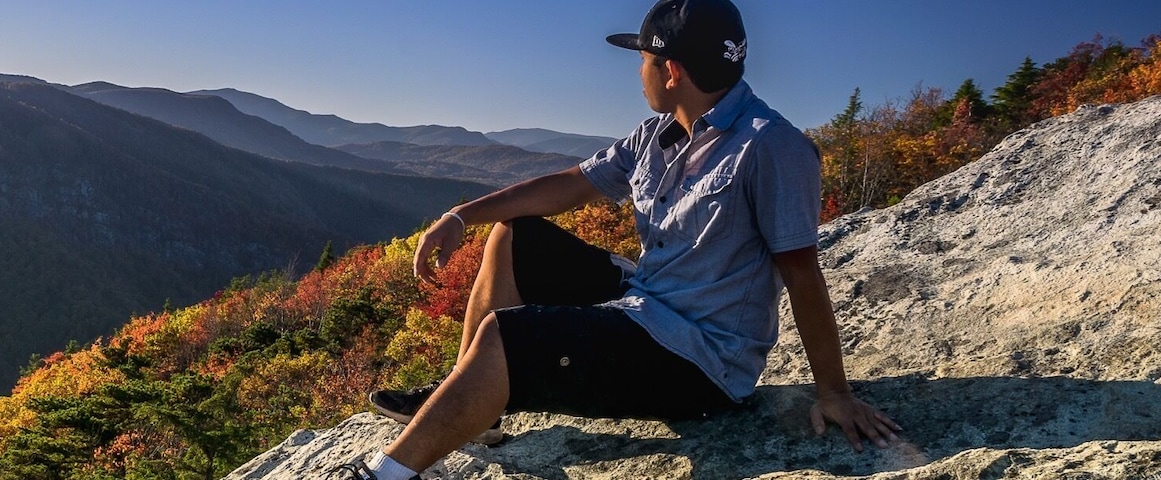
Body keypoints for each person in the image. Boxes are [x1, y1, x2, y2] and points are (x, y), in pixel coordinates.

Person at [332, 0, 901, 478]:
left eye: (644, 59)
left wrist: (834, 392)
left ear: (672, 71)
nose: (638, 71)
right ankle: (476, 410)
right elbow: (569, 186)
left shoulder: (769, 146)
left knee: (506, 335)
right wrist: (462, 214)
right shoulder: (657, 134)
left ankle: (386, 474)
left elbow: (802, 274)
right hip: (648, 299)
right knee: (512, 237)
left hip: (700, 355)